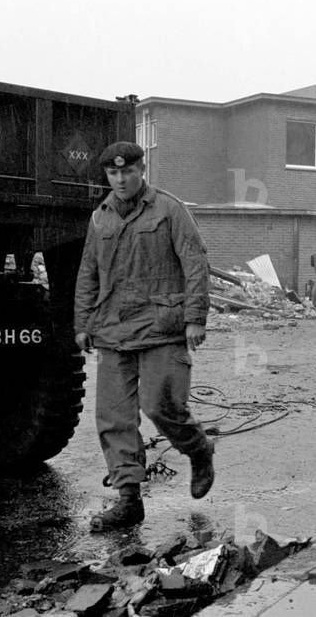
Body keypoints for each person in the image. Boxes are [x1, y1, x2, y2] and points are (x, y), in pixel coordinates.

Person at [74, 141, 214, 531]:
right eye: (113, 173)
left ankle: (199, 449)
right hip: (113, 329)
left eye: (127, 171)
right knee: (114, 418)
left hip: (161, 328)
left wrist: (195, 318)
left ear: (141, 169)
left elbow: (195, 263)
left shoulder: (170, 210)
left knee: (161, 405)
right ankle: (128, 498)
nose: (120, 179)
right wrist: (82, 324)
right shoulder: (99, 217)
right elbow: (88, 272)